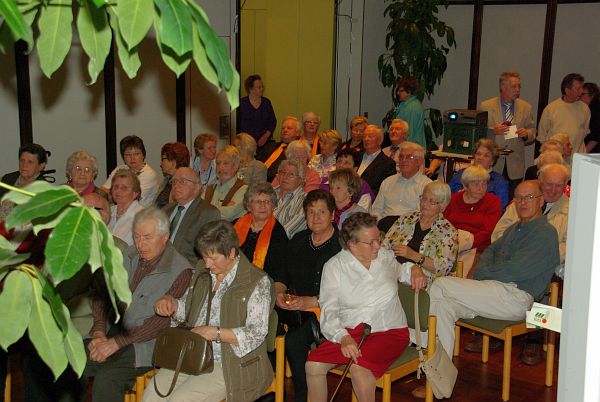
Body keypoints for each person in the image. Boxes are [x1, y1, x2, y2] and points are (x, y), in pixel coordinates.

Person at [144, 220, 274, 402]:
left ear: (231, 253)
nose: (206, 264)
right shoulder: (202, 271)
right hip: (193, 354)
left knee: (181, 400)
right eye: (204, 257)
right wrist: (172, 304)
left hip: (231, 362)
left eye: (213, 258)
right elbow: (188, 312)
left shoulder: (256, 282)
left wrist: (216, 333)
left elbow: (257, 333)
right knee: (151, 395)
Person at [429, 180, 560, 358]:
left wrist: (482, 272)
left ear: (541, 200)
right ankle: (439, 369)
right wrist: (485, 269)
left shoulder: (545, 232)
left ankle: (424, 354)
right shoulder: (515, 228)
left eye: (529, 197)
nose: (523, 202)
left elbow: (515, 270)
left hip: (516, 297)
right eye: (518, 198)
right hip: (494, 291)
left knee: (440, 284)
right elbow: (489, 252)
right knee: (443, 306)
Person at [305, 212, 428, 402]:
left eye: (378, 239)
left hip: (390, 330)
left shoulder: (384, 257)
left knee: (359, 367)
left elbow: (402, 271)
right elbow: (329, 310)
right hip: (352, 331)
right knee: (312, 366)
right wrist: (343, 337)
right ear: (352, 245)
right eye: (371, 242)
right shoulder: (335, 266)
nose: (378, 245)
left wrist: (415, 268)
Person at [83, 208, 193, 402]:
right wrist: (99, 331)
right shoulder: (128, 254)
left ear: (165, 237)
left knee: (107, 378)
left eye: (147, 238)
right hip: (112, 331)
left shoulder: (180, 270)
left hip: (145, 344)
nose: (140, 244)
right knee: (70, 360)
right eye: (137, 237)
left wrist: (116, 343)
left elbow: (159, 323)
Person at [273, 190, 342, 402]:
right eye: (311, 212)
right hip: (293, 307)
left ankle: (303, 396)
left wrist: (310, 302)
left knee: (294, 340)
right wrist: (278, 293)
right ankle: (269, 389)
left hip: (327, 310)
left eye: (322, 212)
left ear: (332, 215)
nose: (316, 217)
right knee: (263, 322)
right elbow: (282, 275)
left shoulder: (342, 246)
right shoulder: (299, 239)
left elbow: (346, 291)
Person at [493, 163, 569, 271]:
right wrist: (514, 254)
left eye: (559, 185)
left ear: (565, 186)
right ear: (540, 182)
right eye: (549, 184)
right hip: (509, 262)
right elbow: (499, 232)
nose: (553, 189)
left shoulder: (572, 212)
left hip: (546, 269)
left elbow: (568, 246)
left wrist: (537, 260)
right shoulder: (521, 202)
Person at [382, 182, 458, 283]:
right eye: (424, 198)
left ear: (442, 206)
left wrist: (413, 255)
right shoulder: (407, 218)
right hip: (392, 269)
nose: (425, 204)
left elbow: (443, 269)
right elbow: (385, 244)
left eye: (432, 202)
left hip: (419, 280)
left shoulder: (448, 232)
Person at [480, 71, 536, 191]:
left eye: (519, 86)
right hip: (493, 162)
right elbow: (479, 131)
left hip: (515, 164)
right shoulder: (486, 106)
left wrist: (526, 134)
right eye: (514, 86)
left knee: (512, 197)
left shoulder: (526, 107)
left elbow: (532, 130)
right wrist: (493, 131)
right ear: (503, 87)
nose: (517, 90)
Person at [163, 167, 220, 265]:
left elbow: (208, 253)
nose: (176, 186)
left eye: (182, 181)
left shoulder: (208, 213)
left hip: (187, 268)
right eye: (174, 182)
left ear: (197, 187)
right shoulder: (166, 210)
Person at [233, 182, 288, 280]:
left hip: (259, 280)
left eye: (267, 202)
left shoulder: (278, 234)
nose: (263, 206)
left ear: (273, 206)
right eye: (258, 202)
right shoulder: (235, 225)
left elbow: (277, 271)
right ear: (249, 206)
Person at [444, 165, 502, 254]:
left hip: (478, 249)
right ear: (465, 186)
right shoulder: (453, 199)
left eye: (484, 184)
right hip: (450, 244)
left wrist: (465, 244)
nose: (481, 188)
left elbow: (488, 232)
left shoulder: (493, 201)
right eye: (476, 184)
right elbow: (444, 224)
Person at [371, 142, 432, 219]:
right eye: (401, 156)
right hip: (384, 224)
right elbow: (376, 210)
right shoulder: (388, 182)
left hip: (409, 225)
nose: (404, 160)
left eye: (409, 157)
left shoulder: (427, 186)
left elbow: (422, 215)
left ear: (419, 161)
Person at [448, 138, 510, 210]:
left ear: (492, 161)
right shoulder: (460, 174)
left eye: (486, 155)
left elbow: (500, 208)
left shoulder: (499, 181)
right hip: (457, 212)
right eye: (478, 154)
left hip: (484, 214)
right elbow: (447, 196)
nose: (480, 158)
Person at [537, 73, 591, 153]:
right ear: (567, 90)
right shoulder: (551, 108)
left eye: (582, 88)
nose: (581, 91)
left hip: (577, 156)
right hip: (555, 156)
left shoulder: (585, 109)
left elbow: (585, 132)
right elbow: (542, 136)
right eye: (578, 88)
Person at [102, 135, 161, 207]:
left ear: (143, 155)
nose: (132, 158)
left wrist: (112, 193)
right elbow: (103, 192)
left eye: (136, 154)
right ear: (123, 157)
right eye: (128, 155)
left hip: (140, 212)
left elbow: (130, 198)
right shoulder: (120, 168)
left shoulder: (149, 174)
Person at [202, 146, 248, 221]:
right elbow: (198, 211)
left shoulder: (244, 189)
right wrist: (223, 209)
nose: (220, 167)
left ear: (236, 166)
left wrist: (207, 210)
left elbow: (228, 214)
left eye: (225, 163)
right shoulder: (209, 189)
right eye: (218, 163)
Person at [237, 74, 277, 148]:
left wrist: (265, 137)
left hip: (264, 143)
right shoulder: (242, 104)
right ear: (251, 89)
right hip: (246, 144)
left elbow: (272, 122)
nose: (262, 89)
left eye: (262, 87)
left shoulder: (266, 103)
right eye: (259, 87)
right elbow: (238, 125)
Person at [107, 168, 145, 246]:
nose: (118, 191)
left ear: (135, 193)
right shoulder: (108, 211)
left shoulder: (142, 216)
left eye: (123, 188)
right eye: (115, 187)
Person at [259, 116, 301, 181]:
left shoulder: (299, 150)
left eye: (289, 128)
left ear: (297, 133)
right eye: (283, 128)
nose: (285, 130)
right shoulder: (270, 146)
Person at [357, 124, 396, 194]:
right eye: (364, 136)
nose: (366, 139)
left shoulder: (388, 164)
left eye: (370, 136)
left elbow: (385, 190)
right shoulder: (356, 157)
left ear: (380, 140)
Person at [273, 159, 307, 238]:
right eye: (283, 172)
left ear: (300, 180)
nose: (285, 177)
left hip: (278, 242)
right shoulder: (268, 192)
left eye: (291, 174)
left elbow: (287, 231)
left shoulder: (304, 201)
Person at [155, 142, 190, 208]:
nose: (160, 163)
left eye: (163, 159)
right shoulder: (167, 180)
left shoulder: (183, 185)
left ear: (173, 162)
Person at [395, 77, 426, 149]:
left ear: (409, 92)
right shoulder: (406, 105)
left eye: (401, 91)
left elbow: (410, 134)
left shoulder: (412, 108)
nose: (398, 93)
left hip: (412, 149)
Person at [582, 82, 600, 153]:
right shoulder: (586, 108)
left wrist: (583, 153)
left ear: (592, 95)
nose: (579, 96)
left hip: (594, 151)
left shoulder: (596, 109)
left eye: (583, 94)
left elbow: (596, 137)